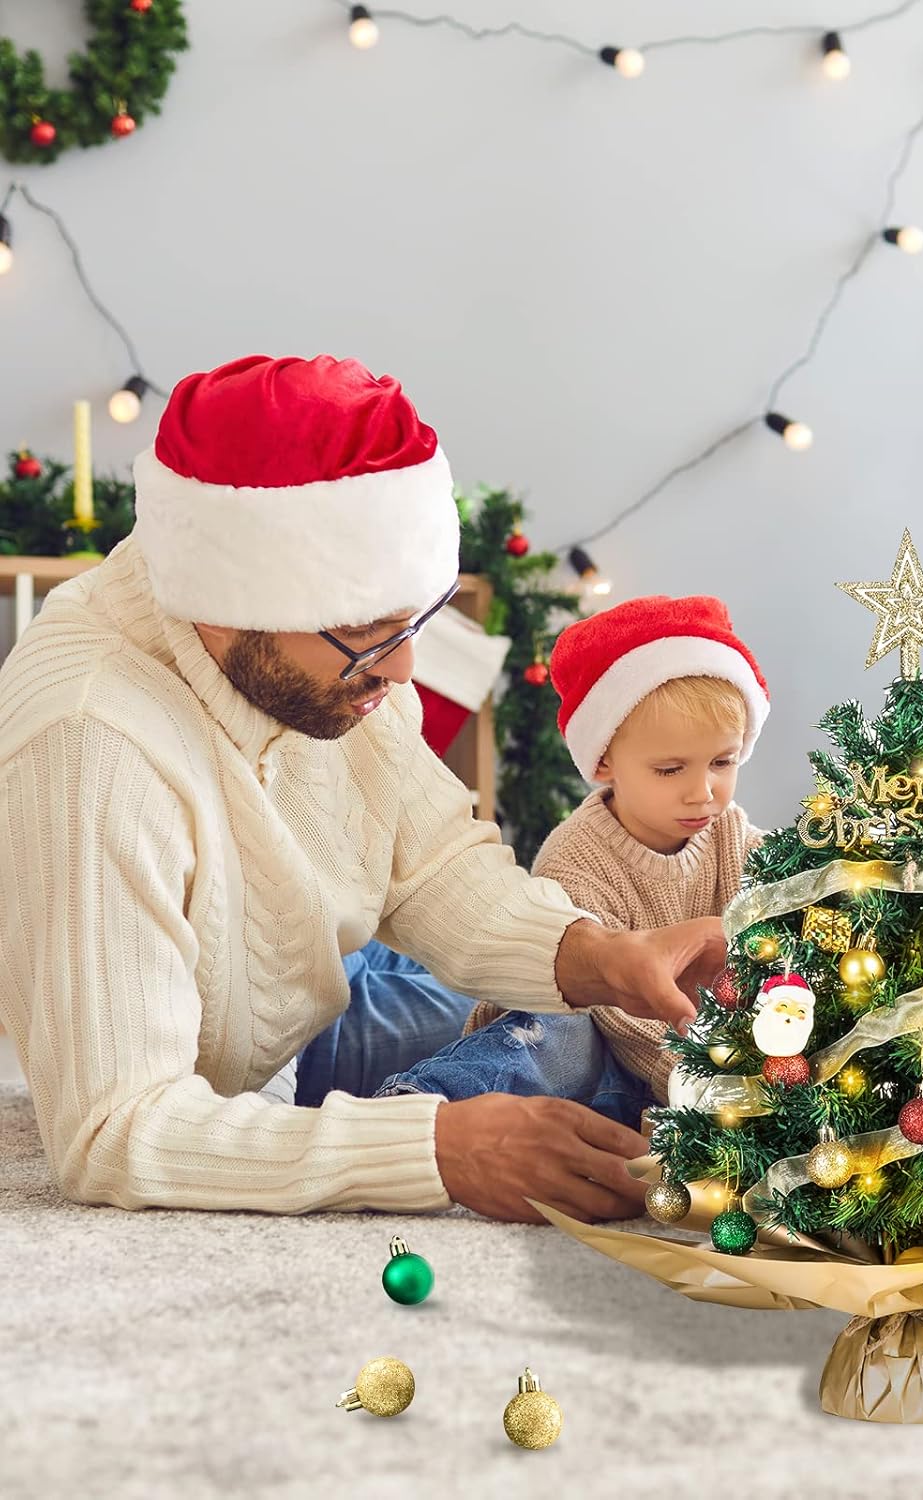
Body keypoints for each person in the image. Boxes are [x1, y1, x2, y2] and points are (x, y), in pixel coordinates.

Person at [0, 353, 723, 1223]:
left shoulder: (328, 655)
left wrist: (605, 958)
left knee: (572, 1018)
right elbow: (116, 1128)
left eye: (413, 620)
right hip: (231, 1065)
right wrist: (439, 1149)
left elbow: (431, 864)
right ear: (226, 605)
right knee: (543, 1054)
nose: (407, 667)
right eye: (366, 633)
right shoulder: (92, 743)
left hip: (309, 991)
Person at [376, 594, 769, 1122]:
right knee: (562, 1031)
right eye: (670, 770)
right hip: (617, 1054)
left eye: (723, 761)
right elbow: (604, 999)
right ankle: (422, 1110)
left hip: (696, 1067)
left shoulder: (731, 835)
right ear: (605, 760)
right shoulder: (577, 857)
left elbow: (789, 896)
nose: (703, 792)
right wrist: (691, 1067)